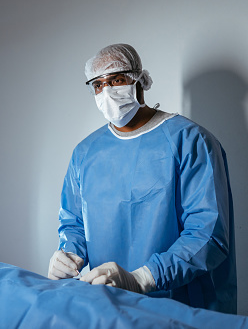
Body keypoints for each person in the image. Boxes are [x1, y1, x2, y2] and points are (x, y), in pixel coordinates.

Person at [47, 43, 237, 314]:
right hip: (112, 303)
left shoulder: (190, 141)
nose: (107, 91)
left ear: (139, 80)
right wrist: (69, 255)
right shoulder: (85, 153)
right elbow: (75, 223)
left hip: (184, 306)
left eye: (116, 80)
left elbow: (208, 235)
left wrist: (142, 279)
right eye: (98, 85)